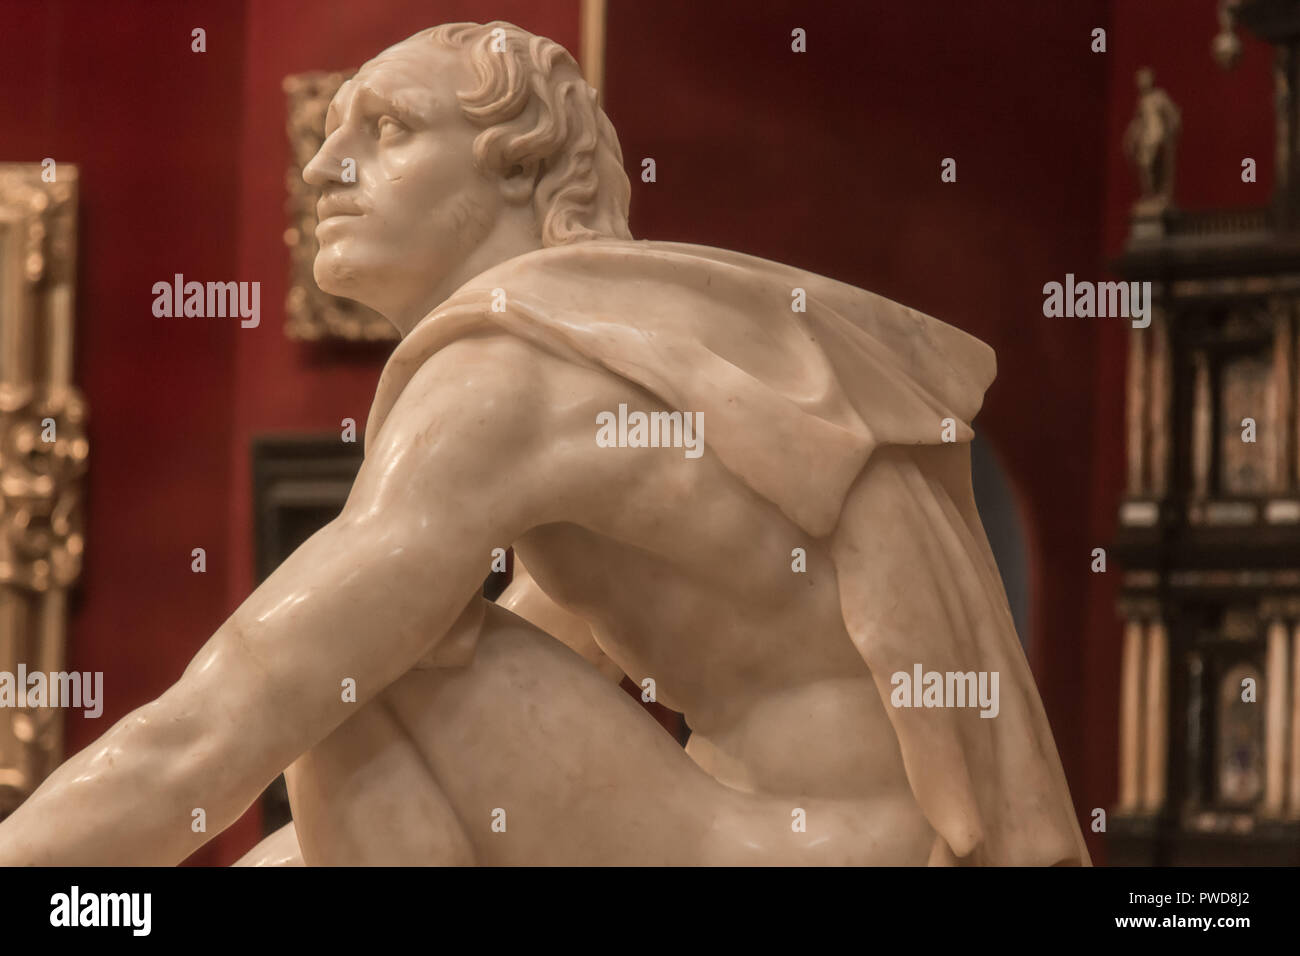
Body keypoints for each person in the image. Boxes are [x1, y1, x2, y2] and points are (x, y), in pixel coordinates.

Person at [0, 22, 1088, 866]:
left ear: (518, 171)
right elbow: (530, 670)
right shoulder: (630, 348)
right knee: (375, 676)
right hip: (844, 842)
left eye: (382, 129)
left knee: (357, 679)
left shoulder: (507, 377)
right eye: (330, 134)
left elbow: (236, 704)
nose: (323, 169)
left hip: (805, 849)